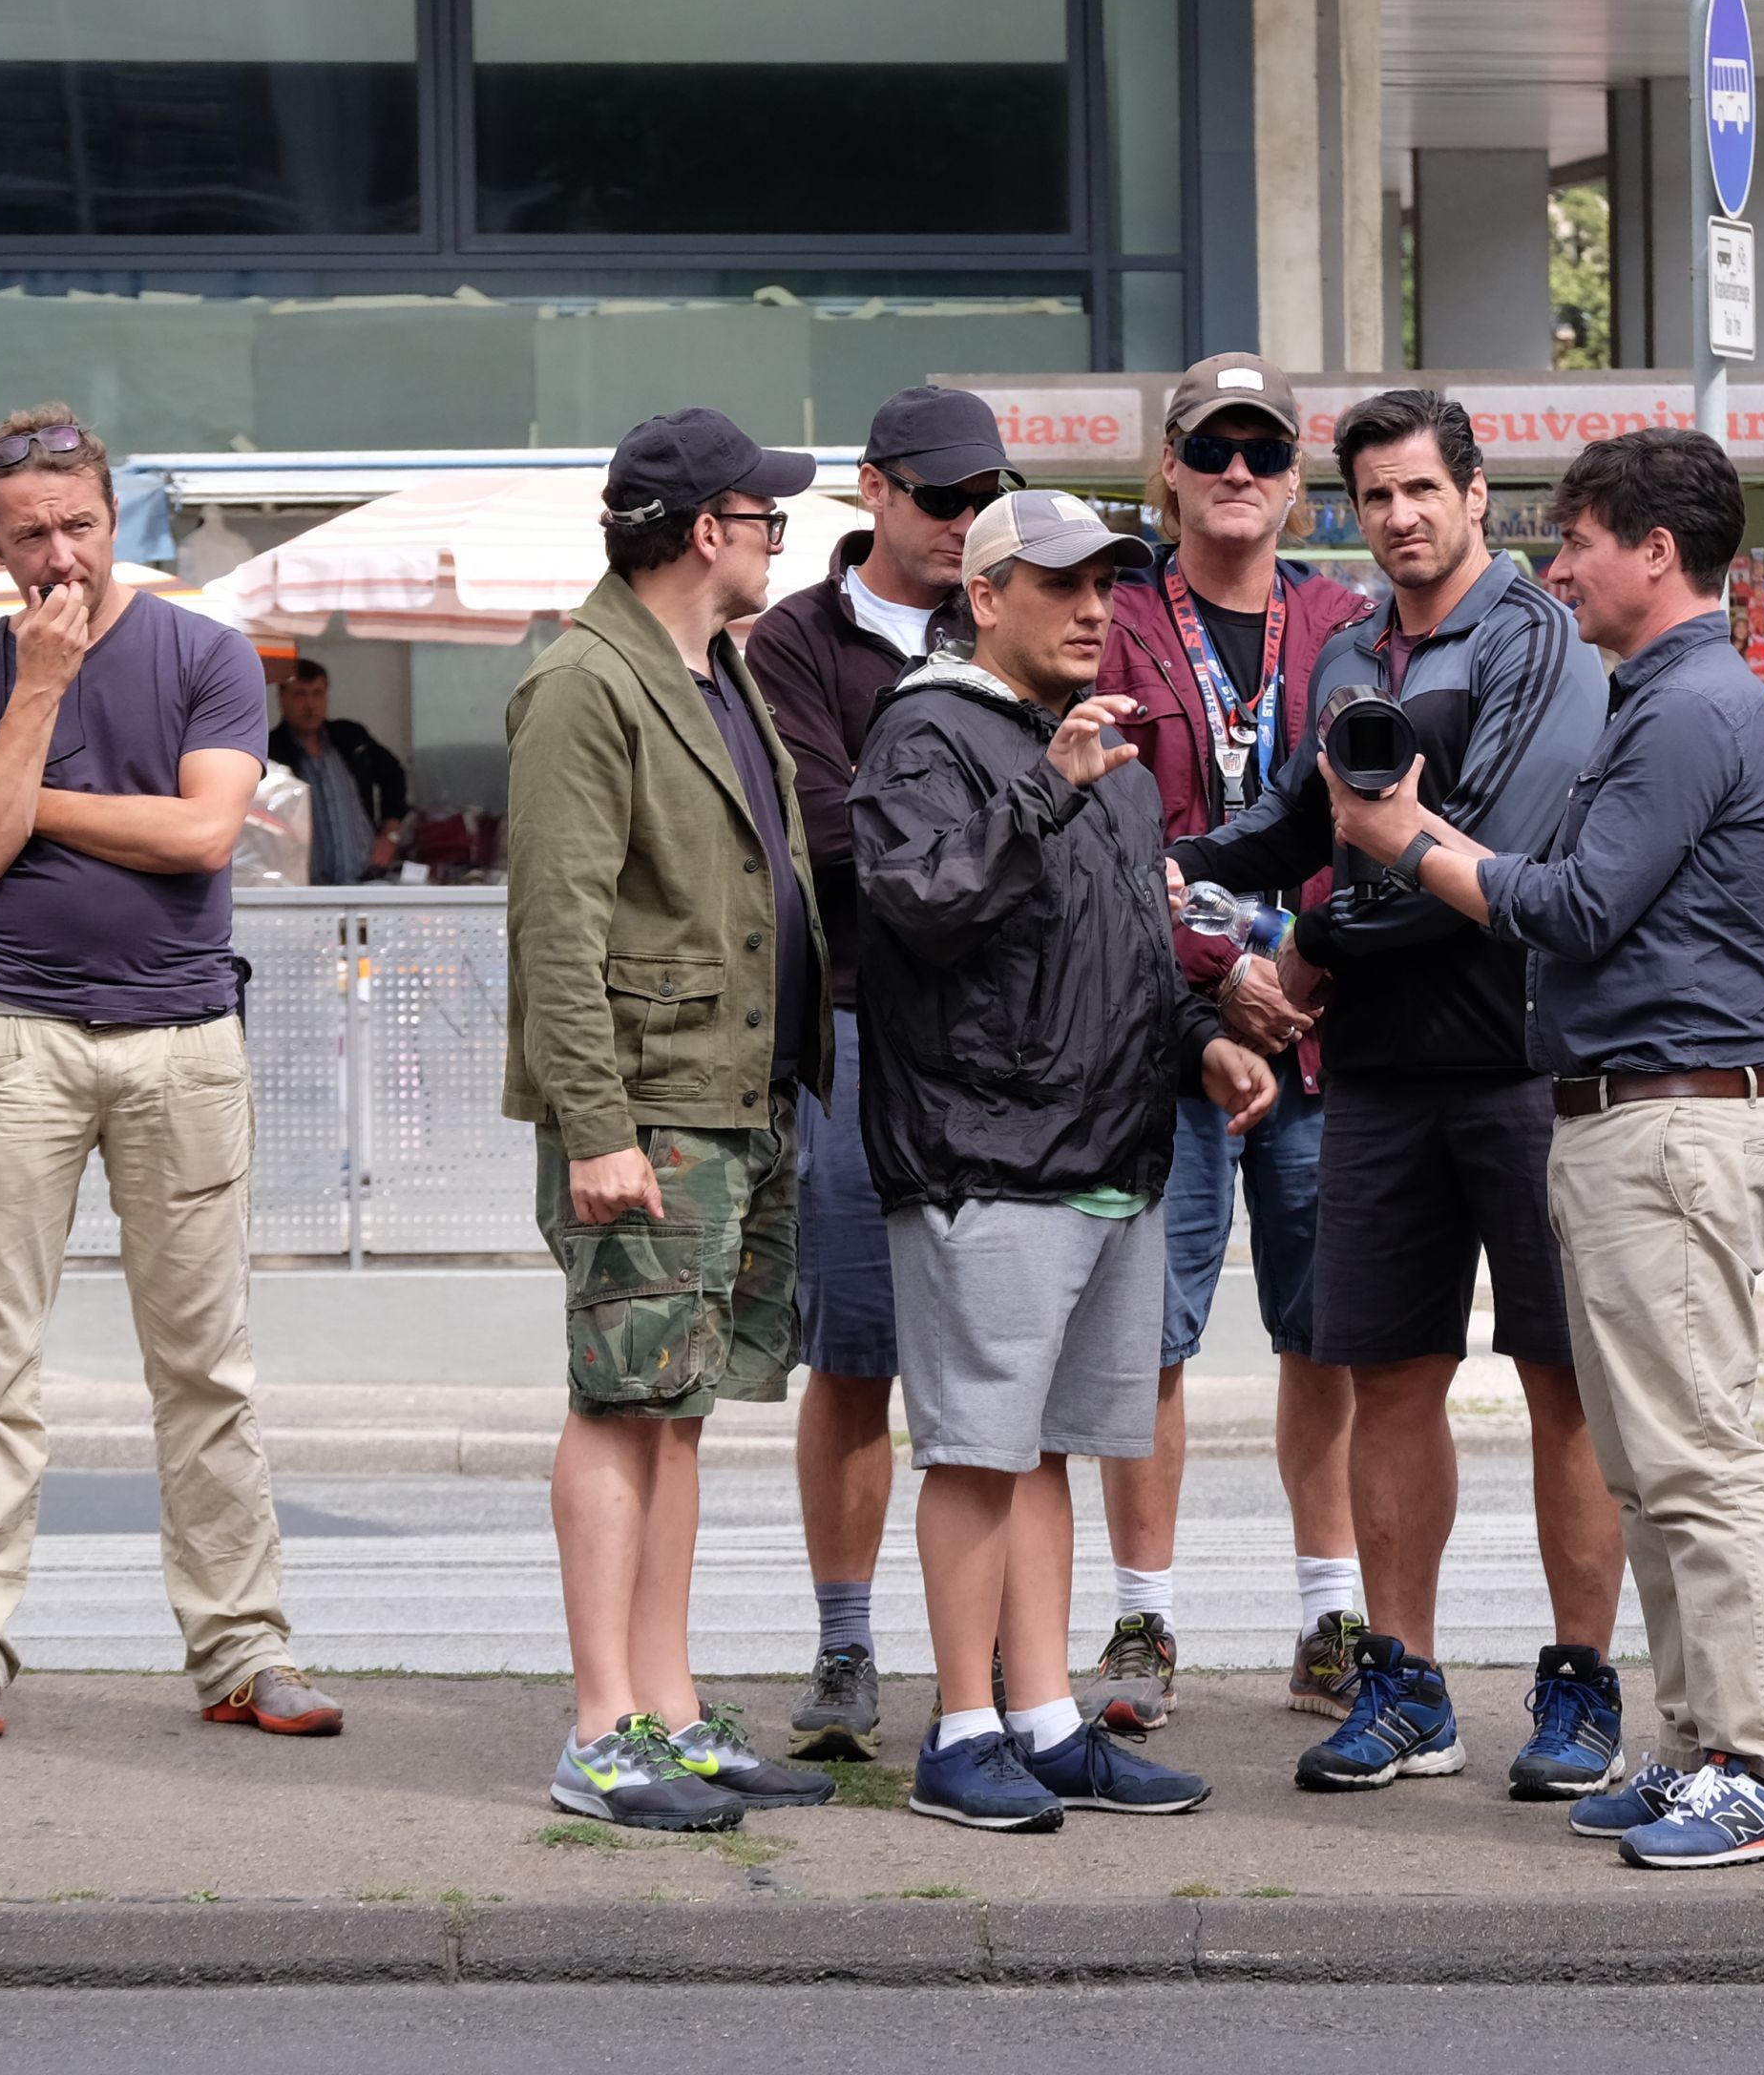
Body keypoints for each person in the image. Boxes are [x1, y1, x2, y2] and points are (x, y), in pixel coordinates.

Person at [1326, 426, 1764, 1872]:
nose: (1560, 568)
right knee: (1655, 1468)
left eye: (1582, 542)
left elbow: (1579, 906)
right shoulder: (1666, 693)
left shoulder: (1684, 706)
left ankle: (1762, 1767)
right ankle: (1697, 1749)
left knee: (1697, 1460)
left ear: (1654, 552)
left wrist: (1411, 842)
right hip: (1639, 1115)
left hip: (1669, 1119)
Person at [1168, 388, 1628, 1800]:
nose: (1402, 518)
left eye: (1425, 489)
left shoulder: (1540, 638)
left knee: (1563, 1389)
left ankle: (1580, 1690)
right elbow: (1300, 823)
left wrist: (1308, 946)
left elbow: (1484, 863)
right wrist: (1150, 845)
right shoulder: (1352, 647)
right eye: (1375, 498)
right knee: (1387, 1381)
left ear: (1480, 493)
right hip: (1372, 1076)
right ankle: (1407, 1684)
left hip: (1525, 1067)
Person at [0, 403, 340, 1749]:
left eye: (82, 527)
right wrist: (37, 696)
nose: (62, 559)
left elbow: (207, 830)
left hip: (182, 1039)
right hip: (13, 1036)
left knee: (206, 1366)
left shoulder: (207, 652)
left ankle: (242, 1649)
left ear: (118, 523)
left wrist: (21, 794)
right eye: (31, 535)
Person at [850, 487, 1268, 1834]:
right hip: (984, 1154)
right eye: (1060, 583)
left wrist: (1205, 1038)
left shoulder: (1109, 758)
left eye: (1107, 582)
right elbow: (919, 905)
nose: (1095, 607)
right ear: (985, 597)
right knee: (978, 1453)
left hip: (1108, 1155)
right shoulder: (928, 730)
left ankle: (1040, 1721)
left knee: (1046, 1456)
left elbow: (1134, 953)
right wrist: (1048, 786)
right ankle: (960, 1729)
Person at [503, 409, 838, 1833]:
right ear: (708, 528)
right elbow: (556, 928)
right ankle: (599, 1731)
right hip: (649, 1104)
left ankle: (671, 1713)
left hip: (734, 1094)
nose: (781, 539)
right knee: (619, 1402)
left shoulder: (712, 671)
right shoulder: (588, 682)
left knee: (678, 1412)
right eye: (769, 518)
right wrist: (595, 1128)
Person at [1085, 350, 1368, 1735]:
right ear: (1171, 474)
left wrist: (1290, 973)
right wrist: (1217, 985)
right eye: (1213, 452)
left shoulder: (1349, 622)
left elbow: (1375, 812)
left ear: (1297, 477)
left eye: (1263, 452)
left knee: (1330, 1336)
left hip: (1319, 1026)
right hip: (1165, 1036)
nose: (1238, 475)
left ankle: (1329, 1615)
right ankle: (1143, 1615)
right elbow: (1112, 831)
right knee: (1151, 1337)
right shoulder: (1122, 619)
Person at [746, 383, 1018, 1760]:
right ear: (872, 490)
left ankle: (1011, 1681)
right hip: (854, 1025)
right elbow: (831, 837)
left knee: (1001, 1369)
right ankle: (846, 1648)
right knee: (853, 1357)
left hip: (1007, 1037)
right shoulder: (795, 639)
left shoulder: (1021, 607)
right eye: (940, 497)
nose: (967, 522)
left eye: (984, 498)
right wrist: (1003, 833)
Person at [266, 660, 409, 887]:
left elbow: (394, 775)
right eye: (300, 694)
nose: (310, 704)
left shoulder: (350, 738)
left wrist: (390, 835)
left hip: (367, 879)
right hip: (305, 888)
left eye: (317, 693)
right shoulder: (270, 751)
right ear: (281, 697)